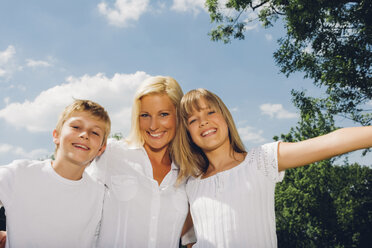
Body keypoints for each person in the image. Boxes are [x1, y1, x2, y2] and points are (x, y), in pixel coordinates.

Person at [174, 88, 372, 248]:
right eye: (193, 120)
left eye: (210, 112)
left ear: (225, 117)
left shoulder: (261, 160)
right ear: (187, 133)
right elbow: (191, 238)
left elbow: (332, 142)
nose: (204, 121)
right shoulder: (191, 184)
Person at [87, 76, 195, 247]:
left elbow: (191, 239)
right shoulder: (112, 154)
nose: (153, 125)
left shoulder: (189, 172)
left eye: (164, 114)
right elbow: (80, 214)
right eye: (145, 115)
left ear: (179, 116)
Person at [0, 99, 111, 248]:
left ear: (101, 149)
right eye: (76, 127)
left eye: (95, 132)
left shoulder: (101, 196)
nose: (85, 134)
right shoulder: (19, 174)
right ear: (56, 135)